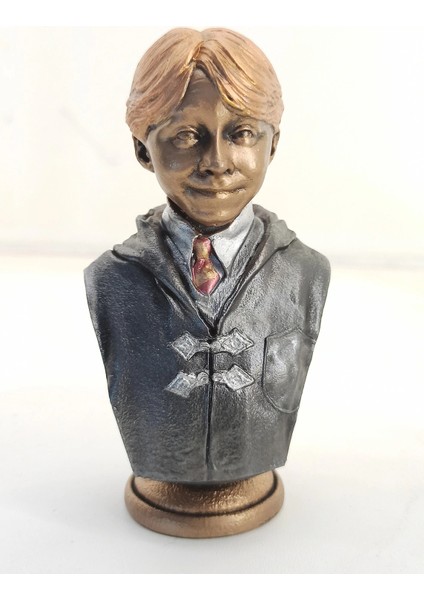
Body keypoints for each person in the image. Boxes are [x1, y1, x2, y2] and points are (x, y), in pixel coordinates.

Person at [85, 28, 330, 485]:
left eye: (242, 133)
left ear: (273, 144)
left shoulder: (304, 272)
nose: (217, 161)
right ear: (142, 149)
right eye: (185, 135)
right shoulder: (112, 279)